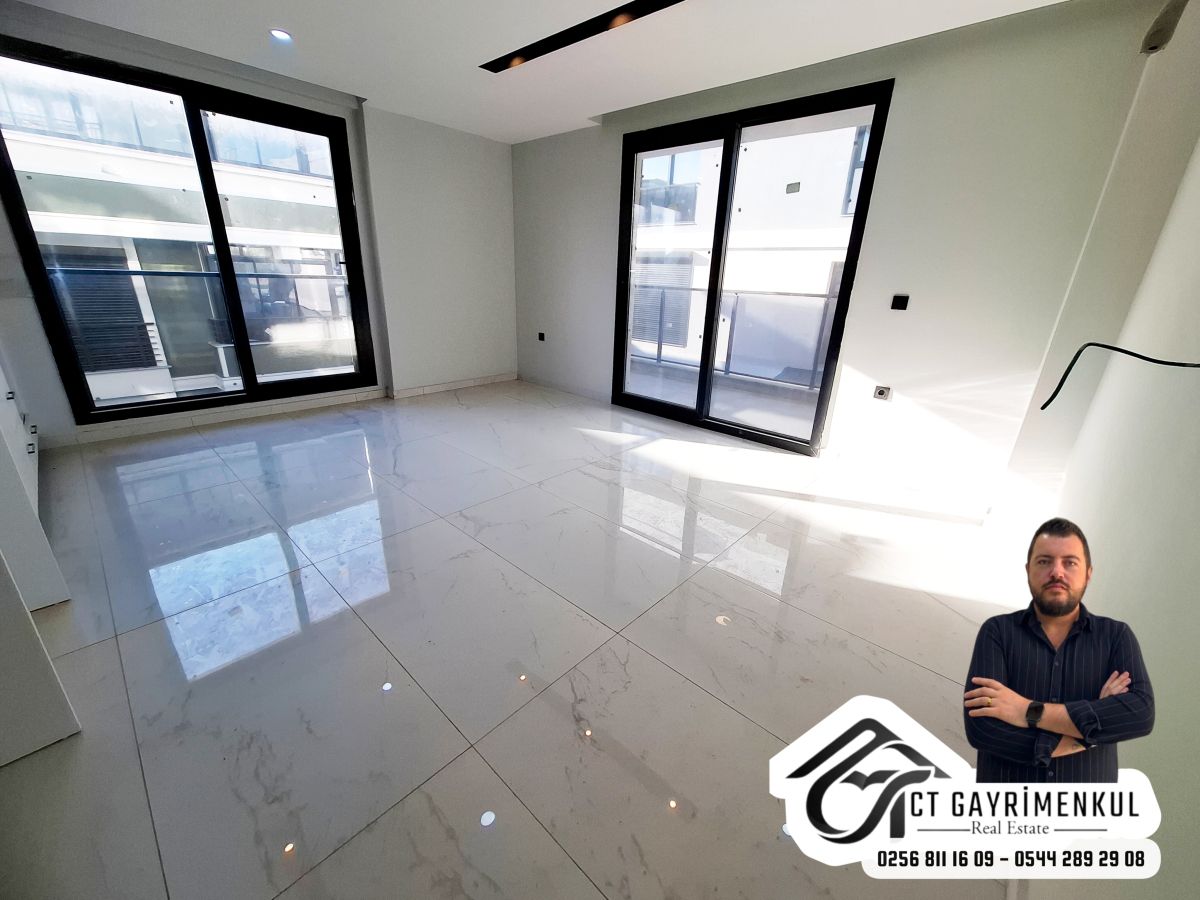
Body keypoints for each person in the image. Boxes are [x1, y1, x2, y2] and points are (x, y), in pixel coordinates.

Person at [962, 518, 1154, 782]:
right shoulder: (997, 632)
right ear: (1028, 569)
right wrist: (1088, 735)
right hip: (1008, 807)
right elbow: (983, 729)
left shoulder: (1116, 636)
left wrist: (1027, 710)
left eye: (1070, 563)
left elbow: (1139, 714)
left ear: (1088, 573)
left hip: (1088, 808)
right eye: (1044, 561)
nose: (1057, 572)